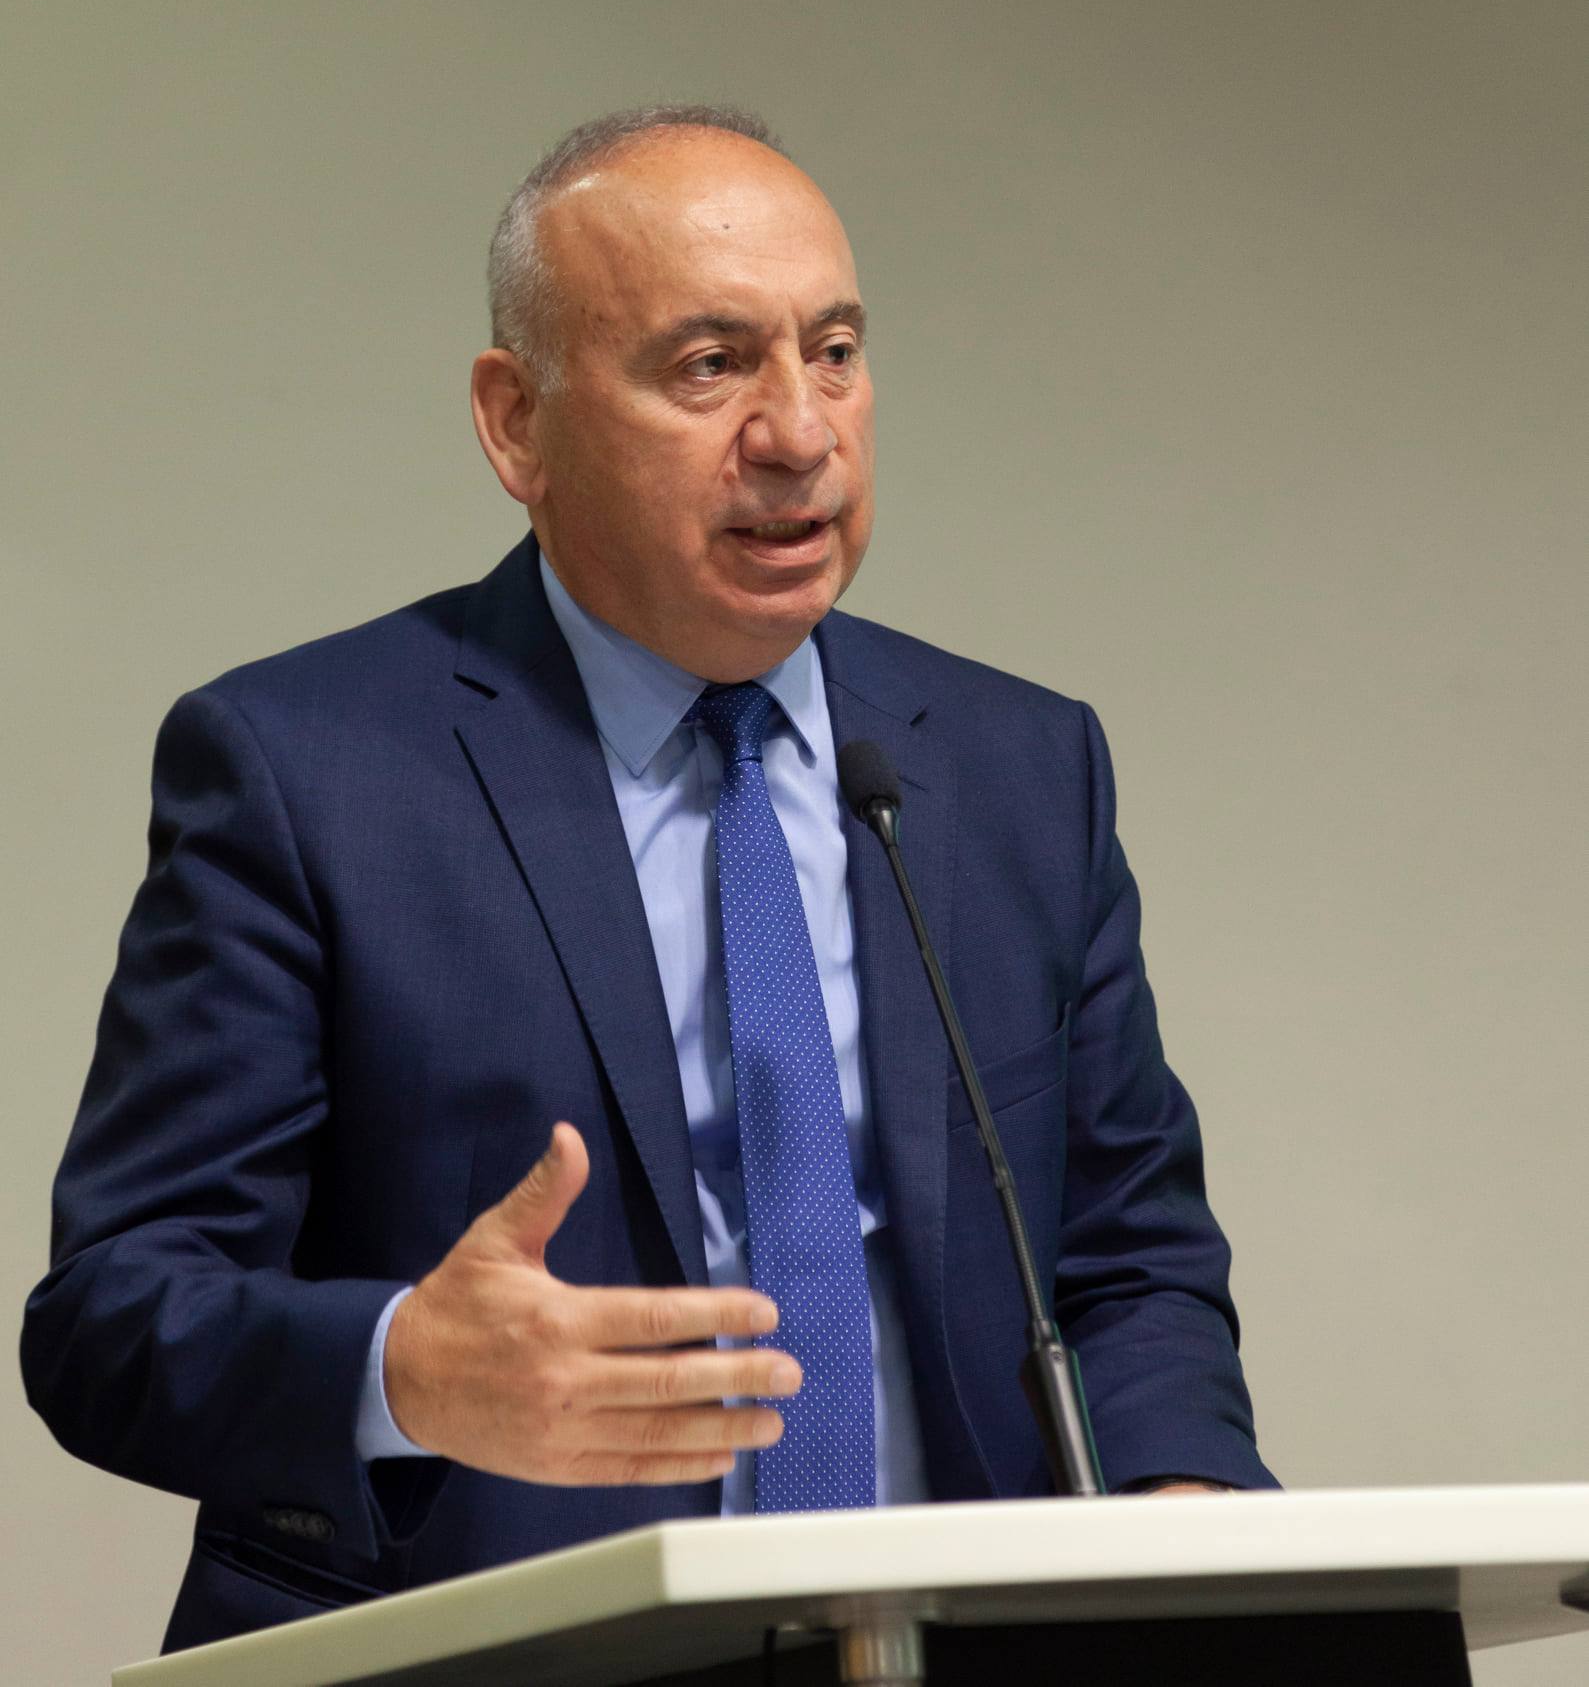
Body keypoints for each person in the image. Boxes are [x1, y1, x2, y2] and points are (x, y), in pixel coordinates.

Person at [22, 105, 1276, 1653]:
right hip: (494, 1655)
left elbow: (1128, 1256)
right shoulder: (305, 772)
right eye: (709, 365)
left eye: (832, 352)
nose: (799, 433)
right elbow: (113, 1318)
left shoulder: (1015, 767)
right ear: (517, 424)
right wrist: (405, 1368)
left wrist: (1176, 1511)